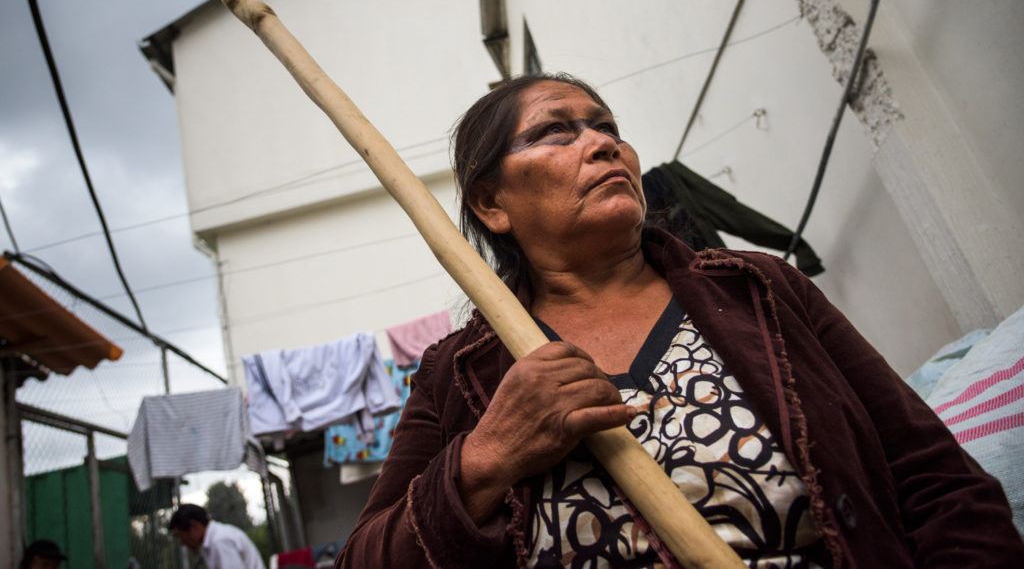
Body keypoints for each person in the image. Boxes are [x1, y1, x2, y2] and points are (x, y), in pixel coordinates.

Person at [335, 73, 1022, 567]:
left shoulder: (759, 291)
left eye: (607, 127)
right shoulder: (462, 375)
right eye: (556, 131)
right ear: (491, 204)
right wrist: (485, 460)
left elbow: (935, 479)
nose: (604, 144)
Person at [168, 503, 265, 569]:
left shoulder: (220, 541)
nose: (182, 542)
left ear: (193, 526)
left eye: (181, 536)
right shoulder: (211, 541)